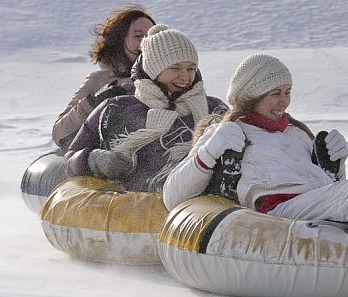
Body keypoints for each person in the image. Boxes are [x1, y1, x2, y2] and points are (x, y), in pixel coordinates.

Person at [162, 53, 348, 228]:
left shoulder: (297, 134)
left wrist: (337, 166)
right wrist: (208, 151)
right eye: (275, 94)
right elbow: (172, 196)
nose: (284, 101)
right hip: (279, 213)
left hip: (315, 204)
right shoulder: (228, 132)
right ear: (252, 97)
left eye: (287, 92)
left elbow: (327, 189)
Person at [64, 24, 227, 193]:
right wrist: (93, 160)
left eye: (191, 68)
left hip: (195, 211)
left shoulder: (213, 110)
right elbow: (70, 160)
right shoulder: (117, 109)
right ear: (153, 69)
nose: (185, 76)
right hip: (131, 210)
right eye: (175, 68)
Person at [52, 5, 156, 151]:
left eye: (151, 36)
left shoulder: (172, 76)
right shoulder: (98, 80)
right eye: (138, 36)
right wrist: (95, 102)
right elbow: (59, 134)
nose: (146, 42)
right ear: (120, 41)